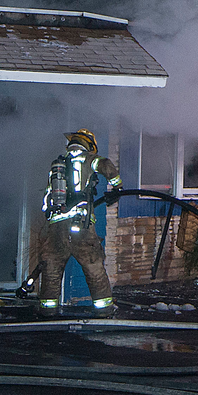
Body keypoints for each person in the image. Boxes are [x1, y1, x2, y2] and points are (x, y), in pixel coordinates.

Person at [35, 129, 121, 314]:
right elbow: (106, 165)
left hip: (56, 227)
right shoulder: (89, 159)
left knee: (52, 268)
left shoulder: (58, 165)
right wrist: (117, 187)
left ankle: (48, 310)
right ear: (89, 145)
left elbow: (47, 199)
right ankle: (104, 309)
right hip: (80, 225)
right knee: (93, 264)